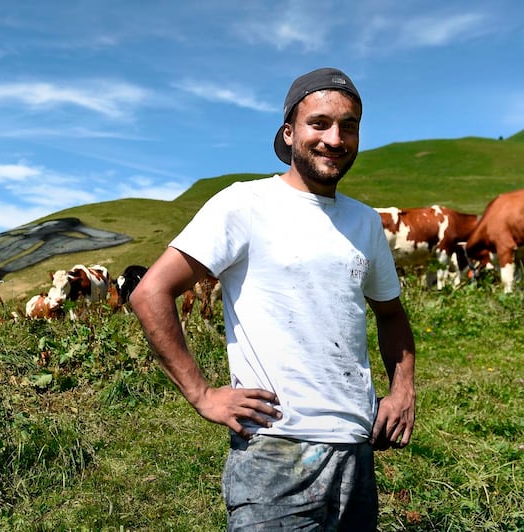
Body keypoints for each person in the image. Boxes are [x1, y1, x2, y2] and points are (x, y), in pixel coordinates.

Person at [130, 67, 416, 530]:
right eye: (319, 123)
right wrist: (202, 394)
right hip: (275, 450)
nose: (334, 138)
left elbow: (391, 315)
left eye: (349, 126)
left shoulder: (365, 224)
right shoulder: (244, 204)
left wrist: (402, 390)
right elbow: (151, 293)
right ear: (290, 132)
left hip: (356, 450)